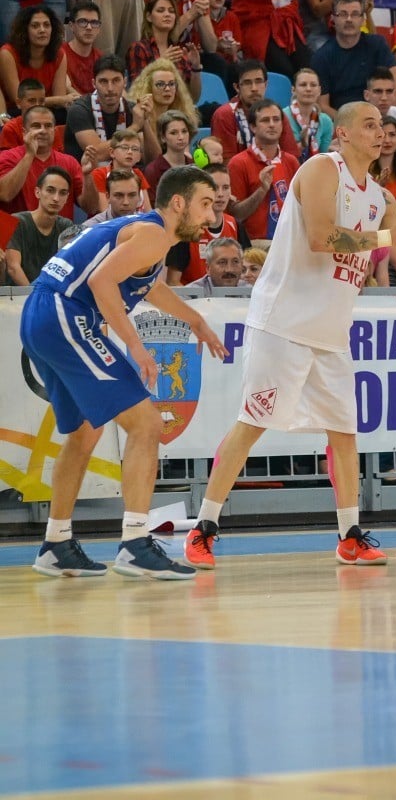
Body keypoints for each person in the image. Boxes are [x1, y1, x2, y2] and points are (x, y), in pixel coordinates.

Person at [183, 100, 396, 570]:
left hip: (331, 332)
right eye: (369, 125)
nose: (380, 133)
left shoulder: (380, 196)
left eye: (383, 127)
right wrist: (385, 239)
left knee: (345, 434)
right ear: (344, 135)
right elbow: (320, 238)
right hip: (283, 323)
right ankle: (204, 528)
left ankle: (349, 535)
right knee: (253, 423)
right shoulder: (320, 168)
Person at [23, 165, 228, 578]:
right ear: (178, 203)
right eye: (205, 204)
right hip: (64, 312)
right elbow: (101, 282)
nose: (211, 217)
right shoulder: (152, 233)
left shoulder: (151, 234)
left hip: (45, 314)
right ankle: (135, 543)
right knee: (147, 423)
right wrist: (136, 346)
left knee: (84, 432)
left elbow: (149, 286)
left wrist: (194, 320)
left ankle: (56, 543)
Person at [311, 0, 396, 118]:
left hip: (379, 117)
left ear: (363, 19)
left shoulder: (377, 44)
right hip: (342, 122)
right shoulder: (321, 57)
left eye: (355, 14)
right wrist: (353, 123)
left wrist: (387, 119)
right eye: (343, 14)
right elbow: (323, 106)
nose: (349, 19)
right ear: (333, 18)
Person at [0, 105, 99, 218]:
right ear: (24, 132)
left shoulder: (69, 162)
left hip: (61, 234)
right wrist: (29, 154)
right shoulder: (7, 157)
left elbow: (92, 207)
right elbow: (5, 194)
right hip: (18, 233)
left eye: (48, 126)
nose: (43, 130)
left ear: (54, 130)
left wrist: (87, 175)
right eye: (36, 126)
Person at [165, 161, 250, 285]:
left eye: (226, 187)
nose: (220, 194)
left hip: (230, 300)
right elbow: (173, 282)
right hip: (195, 300)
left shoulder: (236, 226)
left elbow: (248, 273)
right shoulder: (185, 230)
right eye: (215, 188)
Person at [228, 98, 300, 241]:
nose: (272, 125)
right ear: (253, 127)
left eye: (276, 119)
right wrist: (262, 190)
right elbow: (236, 215)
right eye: (265, 120)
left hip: (289, 240)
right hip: (254, 244)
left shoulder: (291, 161)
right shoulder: (238, 163)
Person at [64, 54, 151, 164]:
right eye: (103, 81)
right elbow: (96, 154)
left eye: (116, 80)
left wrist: (145, 120)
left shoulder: (132, 109)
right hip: (86, 175)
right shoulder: (79, 110)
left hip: (126, 176)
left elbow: (152, 159)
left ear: (124, 82)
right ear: (94, 83)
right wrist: (135, 126)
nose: (110, 88)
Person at [211, 59, 299, 161]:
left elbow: (291, 158)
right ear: (237, 87)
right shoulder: (224, 115)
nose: (254, 88)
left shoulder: (276, 114)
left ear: (265, 85)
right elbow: (226, 163)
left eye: (258, 81)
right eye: (247, 83)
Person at [126, 0, 203, 104]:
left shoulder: (179, 52)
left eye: (171, 11)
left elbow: (193, 99)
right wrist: (161, 63)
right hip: (149, 112)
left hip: (177, 113)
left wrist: (196, 68)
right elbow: (137, 92)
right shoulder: (139, 48)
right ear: (149, 17)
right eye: (161, 10)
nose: (167, 14)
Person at [5, 166, 74, 284]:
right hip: (16, 297)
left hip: (50, 295)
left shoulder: (67, 226)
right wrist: (34, 298)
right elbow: (13, 268)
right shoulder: (14, 221)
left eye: (62, 193)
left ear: (67, 198)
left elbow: (69, 268)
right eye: (50, 190)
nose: (56, 198)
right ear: (37, 192)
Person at [0, 6, 75, 114]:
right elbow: (18, 99)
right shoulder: (7, 53)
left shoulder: (59, 54)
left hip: (45, 110)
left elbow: (59, 100)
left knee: (64, 114)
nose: (42, 30)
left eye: (46, 25)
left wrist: (61, 100)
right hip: (14, 112)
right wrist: (60, 100)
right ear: (25, 30)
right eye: (35, 26)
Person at [127, 58, 200, 165]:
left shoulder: (181, 115)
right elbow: (153, 160)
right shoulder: (139, 114)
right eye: (160, 84)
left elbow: (185, 153)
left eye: (171, 84)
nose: (167, 89)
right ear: (149, 87)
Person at [91, 129, 151, 212]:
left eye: (135, 149)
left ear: (139, 157)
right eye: (124, 147)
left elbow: (148, 210)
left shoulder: (138, 174)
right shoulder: (100, 174)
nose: (130, 152)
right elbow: (104, 212)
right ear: (112, 152)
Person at [144, 108, 195, 206]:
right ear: (163, 137)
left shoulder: (193, 165)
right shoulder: (153, 170)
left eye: (184, 131)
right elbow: (153, 207)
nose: (181, 137)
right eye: (174, 133)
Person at [283, 67, 334, 162]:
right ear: (293, 90)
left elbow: (325, 157)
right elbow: (280, 155)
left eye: (313, 85)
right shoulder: (282, 117)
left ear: (319, 91)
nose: (308, 89)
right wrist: (302, 146)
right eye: (303, 85)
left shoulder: (326, 121)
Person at [0, 78, 64, 150]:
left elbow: (57, 158)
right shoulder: (11, 129)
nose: (37, 105)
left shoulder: (51, 129)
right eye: (31, 101)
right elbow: (8, 160)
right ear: (18, 103)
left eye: (41, 101)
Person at [198, 0, 243, 65]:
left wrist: (234, 51)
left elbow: (239, 51)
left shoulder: (232, 17)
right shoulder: (197, 17)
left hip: (229, 66)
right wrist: (217, 46)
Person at [63, 2, 104, 97]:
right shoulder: (60, 53)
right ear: (71, 26)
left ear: (99, 29)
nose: (89, 27)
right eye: (82, 22)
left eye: (94, 23)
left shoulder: (101, 58)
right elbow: (67, 89)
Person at [368, 115, 396, 204]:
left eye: (392, 135)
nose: (387, 140)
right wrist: (379, 186)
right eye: (382, 135)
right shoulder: (365, 172)